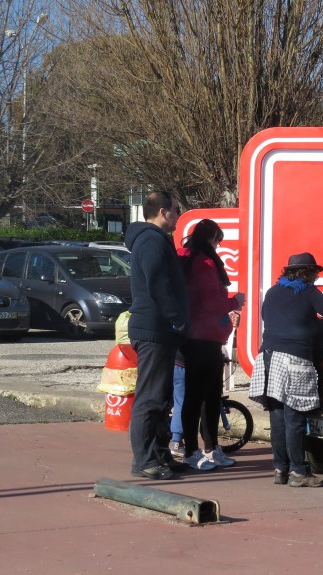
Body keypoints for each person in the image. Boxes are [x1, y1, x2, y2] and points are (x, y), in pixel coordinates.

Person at [248, 252, 323, 488]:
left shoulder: (272, 292)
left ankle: (280, 469)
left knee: (277, 417)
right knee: (295, 419)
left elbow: (275, 319)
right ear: (308, 273)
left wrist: (308, 321)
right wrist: (314, 322)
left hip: (267, 358)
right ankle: (299, 473)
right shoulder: (308, 291)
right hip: (293, 360)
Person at [123, 191, 190, 480]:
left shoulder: (155, 240)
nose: (178, 215)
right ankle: (145, 460)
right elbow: (157, 284)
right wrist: (177, 319)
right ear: (163, 212)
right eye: (175, 210)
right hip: (154, 328)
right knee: (150, 398)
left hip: (160, 329)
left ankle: (160, 456)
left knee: (161, 399)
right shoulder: (151, 241)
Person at [175, 219, 246, 470]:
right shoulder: (205, 263)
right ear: (211, 238)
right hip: (204, 338)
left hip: (190, 336)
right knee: (205, 398)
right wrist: (234, 301)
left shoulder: (184, 256)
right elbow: (210, 303)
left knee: (199, 397)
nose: (218, 245)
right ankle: (200, 450)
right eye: (218, 240)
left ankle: (201, 448)